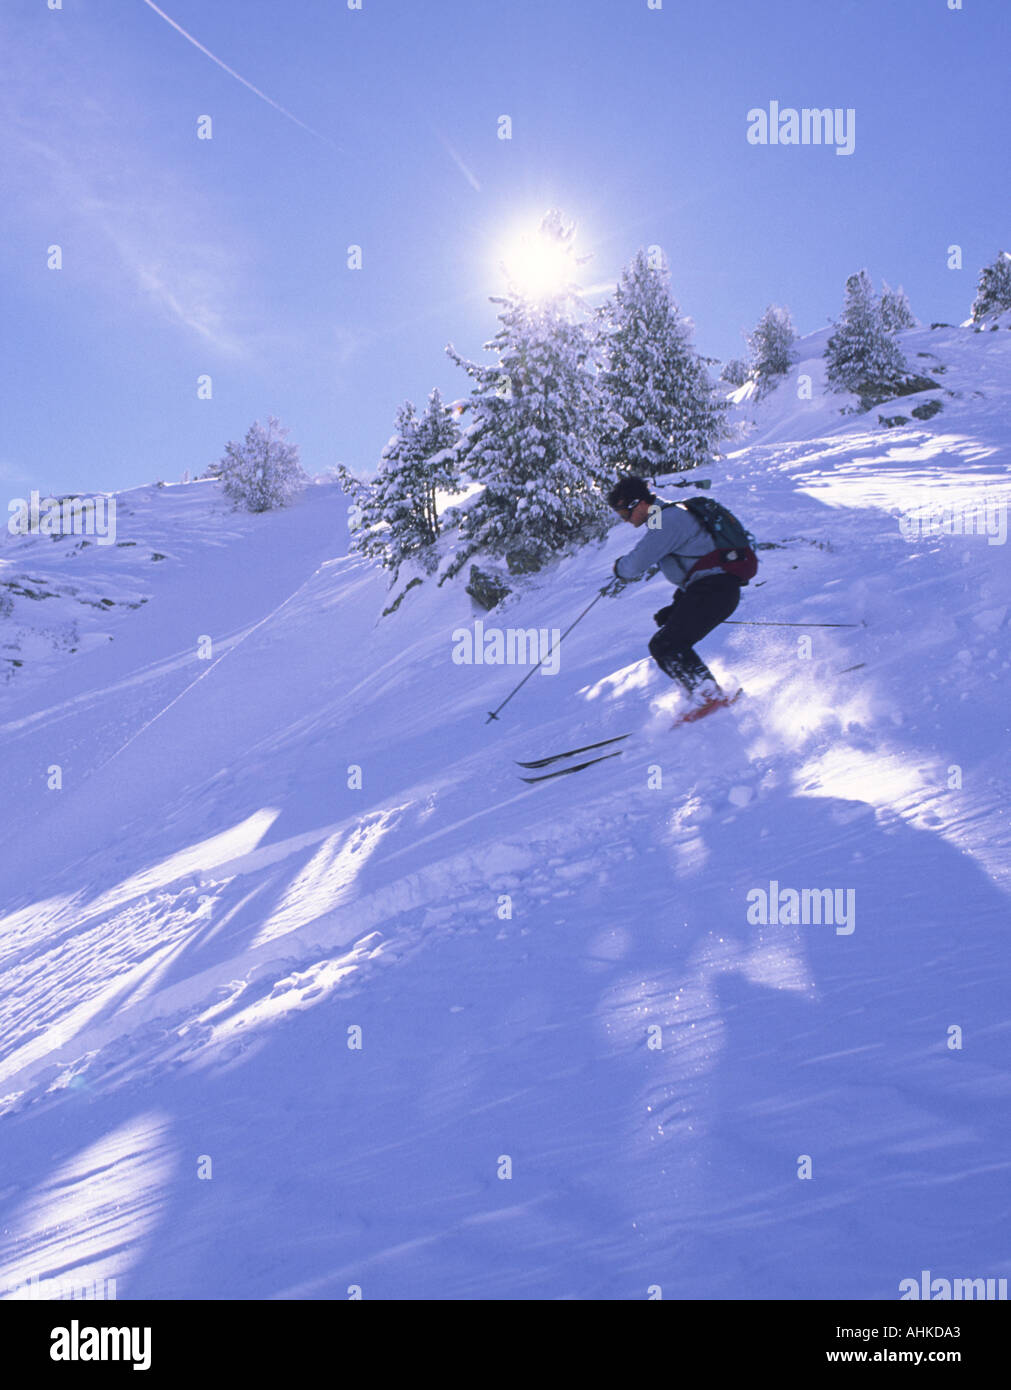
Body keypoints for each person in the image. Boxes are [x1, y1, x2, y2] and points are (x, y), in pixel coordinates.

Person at [607, 475, 742, 721]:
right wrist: (676, 606)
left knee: (666, 645)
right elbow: (692, 565)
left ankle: (708, 697)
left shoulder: (666, 519)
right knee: (667, 643)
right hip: (712, 589)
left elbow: (637, 563)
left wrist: (619, 568)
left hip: (715, 589)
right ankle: (704, 695)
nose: (625, 520)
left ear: (638, 503)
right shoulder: (665, 515)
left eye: (624, 513)